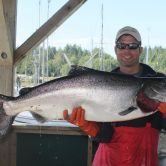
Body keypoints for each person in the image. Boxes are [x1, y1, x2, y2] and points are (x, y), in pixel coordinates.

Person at [63, 26, 166, 166]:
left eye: (132, 46)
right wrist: (88, 126)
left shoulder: (159, 82)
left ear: (140, 50)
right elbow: (105, 135)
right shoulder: (102, 86)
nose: (127, 51)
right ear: (115, 49)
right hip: (107, 161)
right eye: (121, 46)